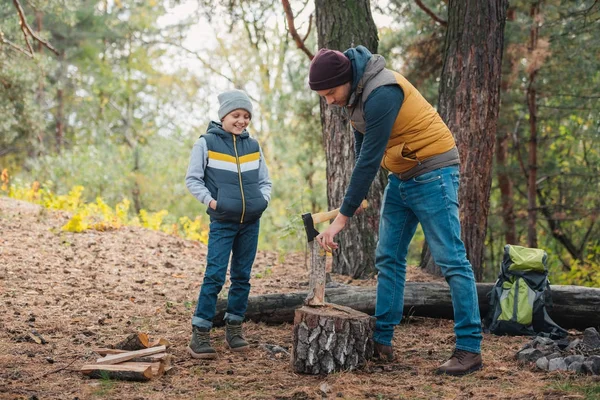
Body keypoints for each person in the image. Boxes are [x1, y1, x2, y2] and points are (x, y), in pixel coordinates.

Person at [308, 46, 483, 376]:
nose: (329, 101)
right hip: (403, 175)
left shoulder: (382, 92)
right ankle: (382, 341)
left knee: (452, 260)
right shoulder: (355, 97)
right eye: (323, 96)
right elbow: (363, 152)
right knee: (388, 257)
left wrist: (341, 219)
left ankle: (469, 349)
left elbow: (370, 159)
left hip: (434, 172)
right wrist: (354, 200)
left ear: (346, 79)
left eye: (330, 93)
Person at [185, 89, 272, 359]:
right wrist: (213, 203)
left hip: (250, 222)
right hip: (223, 222)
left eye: (246, 116)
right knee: (214, 275)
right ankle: (200, 332)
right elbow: (193, 179)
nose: (242, 121)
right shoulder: (206, 143)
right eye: (236, 115)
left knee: (242, 277)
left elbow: (264, 181)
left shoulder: (253, 146)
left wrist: (263, 200)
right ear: (224, 116)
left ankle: (234, 328)